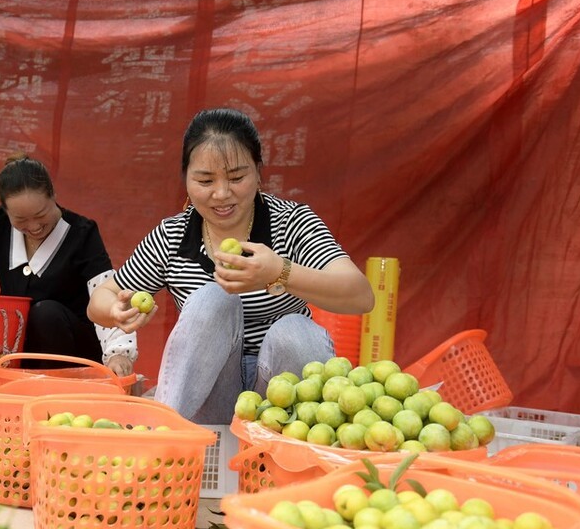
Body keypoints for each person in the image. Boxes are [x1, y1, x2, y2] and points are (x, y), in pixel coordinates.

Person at [88, 108, 374, 423]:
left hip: (282, 402)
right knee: (213, 299)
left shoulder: (291, 222)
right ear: (186, 179)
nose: (222, 194)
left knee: (297, 331)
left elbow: (360, 295)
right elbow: (101, 299)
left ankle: (291, 445)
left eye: (237, 177)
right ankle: (165, 433)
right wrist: (116, 311)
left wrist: (281, 272)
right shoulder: (173, 235)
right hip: (210, 396)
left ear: (258, 172)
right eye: (205, 180)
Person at [0, 154, 136, 377]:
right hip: (20, 350)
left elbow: (107, 292)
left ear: (53, 195)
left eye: (41, 215)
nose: (34, 227)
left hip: (73, 354)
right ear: (6, 212)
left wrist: (119, 352)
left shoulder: (81, 233)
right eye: (21, 220)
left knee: (45, 313)